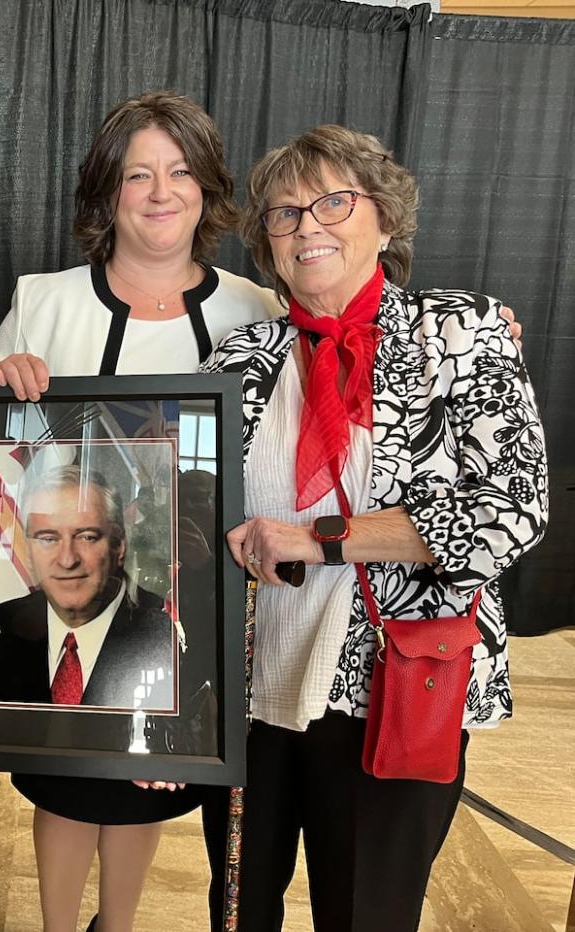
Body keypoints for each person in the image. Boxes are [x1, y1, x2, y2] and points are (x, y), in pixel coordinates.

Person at [200, 124, 548, 931]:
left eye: (333, 202)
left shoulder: (462, 334)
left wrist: (320, 538)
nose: (307, 226)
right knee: (237, 913)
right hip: (252, 697)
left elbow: (513, 509)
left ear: (384, 220)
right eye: (283, 216)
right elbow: (189, 513)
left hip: (397, 691)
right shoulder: (240, 357)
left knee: (366, 915)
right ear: (267, 247)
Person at [0, 90, 280, 932]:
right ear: (107, 191)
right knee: (71, 780)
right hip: (70, 592)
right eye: (138, 173)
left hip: (193, 611)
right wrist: (4, 384)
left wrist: (475, 333)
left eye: (180, 171)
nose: (160, 192)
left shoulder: (254, 308)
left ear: (207, 187)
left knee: (148, 789)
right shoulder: (43, 298)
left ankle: (115, 926)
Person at [0, 465, 177, 712]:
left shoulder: (167, 639)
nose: (67, 560)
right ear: (28, 551)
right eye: (48, 539)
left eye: (87, 537)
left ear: (119, 546)